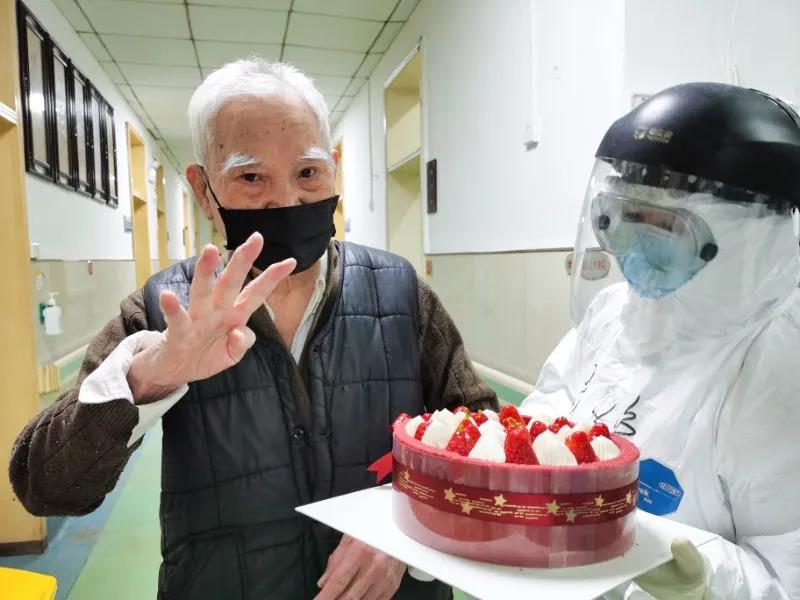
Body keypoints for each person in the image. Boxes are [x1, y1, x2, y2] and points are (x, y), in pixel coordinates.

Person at [9, 58, 497, 600]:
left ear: (333, 168)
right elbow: (43, 486)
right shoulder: (161, 310)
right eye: (250, 177)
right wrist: (147, 379)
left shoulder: (402, 293)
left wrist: (405, 523)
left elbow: (487, 442)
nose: (285, 200)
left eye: (308, 172)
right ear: (204, 190)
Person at [521, 82, 800, 599]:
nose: (637, 246)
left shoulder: (780, 365)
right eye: (627, 218)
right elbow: (553, 403)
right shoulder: (616, 311)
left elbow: (786, 573)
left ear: (743, 234)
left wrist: (705, 579)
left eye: (664, 226)